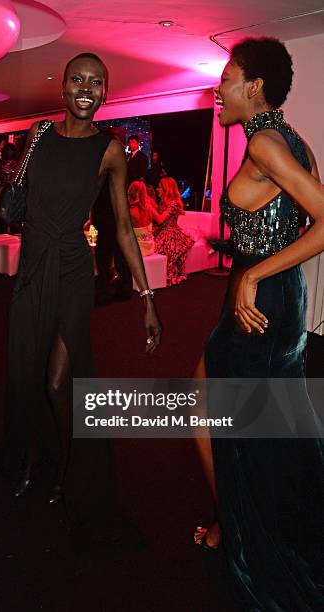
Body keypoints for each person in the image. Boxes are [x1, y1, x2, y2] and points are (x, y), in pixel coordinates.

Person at [0, 52, 161, 545]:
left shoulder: (109, 152)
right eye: (77, 79)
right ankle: (29, 458)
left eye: (96, 82)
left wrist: (146, 296)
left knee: (60, 381)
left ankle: (68, 466)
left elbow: (123, 227)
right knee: (24, 377)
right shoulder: (40, 134)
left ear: (106, 92)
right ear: (62, 89)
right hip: (33, 270)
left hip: (72, 271)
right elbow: (11, 192)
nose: (86, 88)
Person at [192, 37, 324, 611]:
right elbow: (285, 223)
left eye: (226, 77)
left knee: (224, 415)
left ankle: (244, 534)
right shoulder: (291, 141)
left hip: (259, 301)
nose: (217, 88)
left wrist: (252, 275)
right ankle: (238, 524)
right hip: (271, 295)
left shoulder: (270, 144)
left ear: (255, 87)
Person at [154, 177, 194, 285]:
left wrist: (150, 208)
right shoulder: (162, 203)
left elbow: (160, 219)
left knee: (162, 246)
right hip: (161, 231)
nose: (157, 189)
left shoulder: (174, 203)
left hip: (171, 233)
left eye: (159, 187)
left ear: (166, 189)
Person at [128, 180, 174, 257]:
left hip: (137, 249)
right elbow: (160, 219)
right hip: (150, 247)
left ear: (130, 193)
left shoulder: (129, 210)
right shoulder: (149, 207)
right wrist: (168, 210)